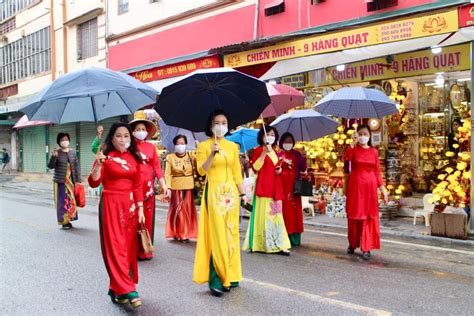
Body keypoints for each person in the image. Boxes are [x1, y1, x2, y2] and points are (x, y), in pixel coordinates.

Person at [88, 122, 144, 308]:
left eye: (126, 136)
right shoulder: (105, 157)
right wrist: (98, 165)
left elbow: (137, 184)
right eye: (118, 136)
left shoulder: (134, 157)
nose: (123, 139)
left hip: (130, 208)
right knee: (116, 247)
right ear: (112, 138)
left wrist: (141, 208)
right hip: (111, 204)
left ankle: (116, 289)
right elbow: (94, 182)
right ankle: (129, 289)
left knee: (127, 248)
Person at [193, 110, 247, 297]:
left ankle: (231, 275)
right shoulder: (204, 146)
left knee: (230, 233)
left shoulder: (233, 146)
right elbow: (201, 171)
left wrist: (243, 193)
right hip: (214, 194)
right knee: (216, 235)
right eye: (217, 122)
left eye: (224, 122)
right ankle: (216, 278)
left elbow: (236, 172)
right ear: (210, 126)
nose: (221, 126)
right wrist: (211, 155)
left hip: (230, 195)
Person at [243, 126, 291, 256]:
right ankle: (260, 243)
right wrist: (264, 153)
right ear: (262, 137)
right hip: (263, 187)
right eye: (267, 134)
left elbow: (277, 167)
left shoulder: (275, 151)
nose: (270, 136)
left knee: (276, 216)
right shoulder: (258, 150)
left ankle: (279, 244)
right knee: (263, 215)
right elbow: (255, 168)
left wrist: (279, 170)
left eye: (272, 134)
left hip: (275, 187)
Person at [344, 125, 388, 260]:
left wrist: (382, 188)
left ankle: (366, 246)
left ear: (369, 136)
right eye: (360, 134)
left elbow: (377, 171)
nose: (363, 136)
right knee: (355, 215)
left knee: (368, 216)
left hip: (370, 186)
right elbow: (346, 163)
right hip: (356, 186)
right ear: (357, 136)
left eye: (365, 134)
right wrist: (351, 145)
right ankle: (353, 243)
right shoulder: (353, 150)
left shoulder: (374, 152)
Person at [129, 118, 170, 261]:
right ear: (132, 131)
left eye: (143, 129)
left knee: (147, 218)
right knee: (133, 217)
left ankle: (145, 249)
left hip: (148, 187)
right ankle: (132, 249)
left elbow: (157, 167)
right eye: (138, 129)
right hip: (133, 186)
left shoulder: (151, 148)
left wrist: (163, 185)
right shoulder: (129, 147)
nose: (141, 132)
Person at [164, 134, 198, 242]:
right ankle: (178, 232)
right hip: (176, 187)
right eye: (178, 144)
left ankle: (186, 232)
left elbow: (201, 161)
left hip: (188, 186)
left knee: (187, 210)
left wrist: (199, 147)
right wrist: (168, 187)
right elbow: (168, 174)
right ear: (174, 145)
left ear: (186, 144)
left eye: (182, 143)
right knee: (178, 211)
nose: (180, 146)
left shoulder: (191, 155)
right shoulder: (170, 157)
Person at [278, 132, 307, 247]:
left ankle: (294, 238)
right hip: (281, 186)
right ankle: (282, 236)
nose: (288, 143)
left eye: (290, 141)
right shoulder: (278, 154)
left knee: (294, 212)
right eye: (285, 141)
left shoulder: (297, 154)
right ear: (281, 142)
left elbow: (303, 169)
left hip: (294, 187)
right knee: (283, 210)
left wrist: (304, 158)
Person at [47, 133, 81, 229]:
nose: (65, 141)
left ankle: (70, 218)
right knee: (62, 202)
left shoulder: (72, 152)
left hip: (71, 181)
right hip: (60, 182)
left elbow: (77, 166)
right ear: (59, 142)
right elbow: (50, 166)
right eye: (62, 139)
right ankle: (64, 221)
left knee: (71, 200)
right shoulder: (57, 152)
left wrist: (78, 180)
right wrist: (53, 157)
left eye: (66, 139)